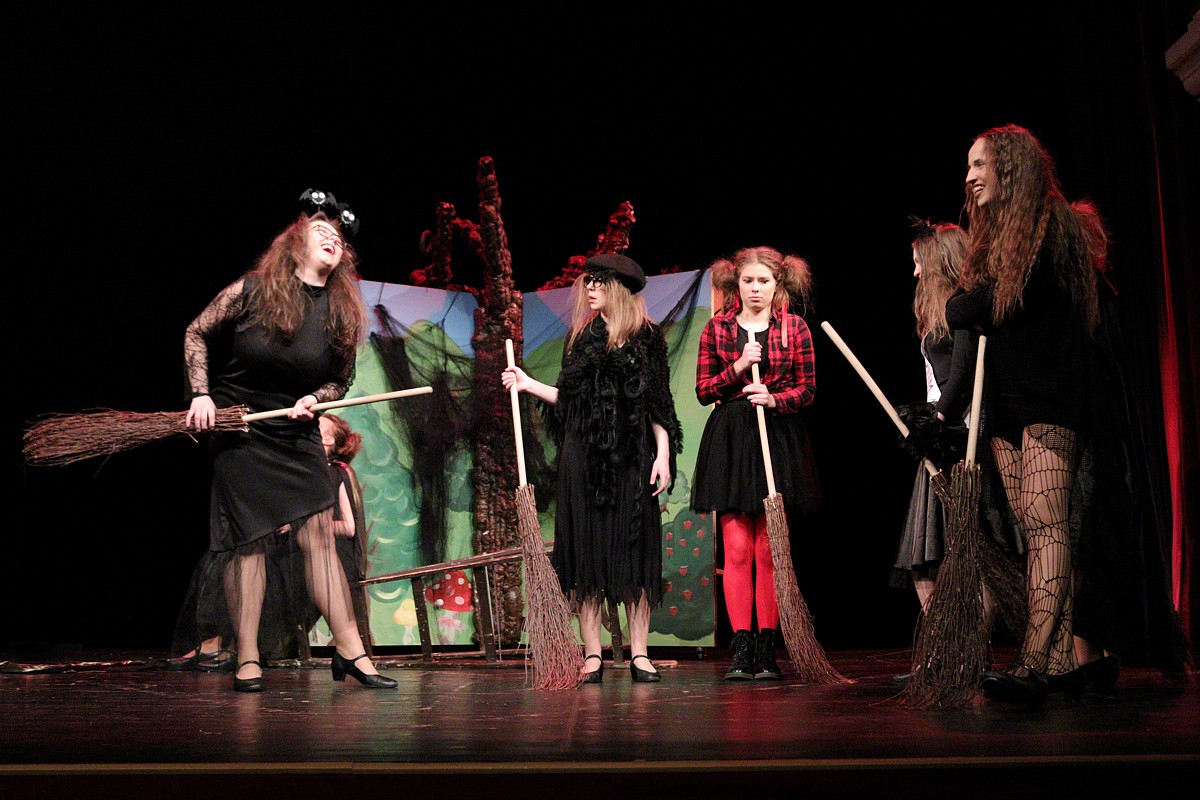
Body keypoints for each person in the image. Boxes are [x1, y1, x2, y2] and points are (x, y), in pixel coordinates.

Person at [184, 189, 395, 691]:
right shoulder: (253, 289)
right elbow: (196, 333)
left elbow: (339, 380)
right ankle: (248, 655)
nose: (332, 239)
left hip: (295, 431)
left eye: (339, 238)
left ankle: (351, 650)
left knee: (318, 537)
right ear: (296, 242)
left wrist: (316, 397)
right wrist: (200, 395)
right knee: (250, 544)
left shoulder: (341, 313)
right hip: (242, 426)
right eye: (321, 231)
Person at [948, 126, 1105, 705]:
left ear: (1010, 167)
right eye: (968, 166)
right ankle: (1060, 663)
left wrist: (969, 305)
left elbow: (994, 303)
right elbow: (967, 309)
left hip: (1049, 397)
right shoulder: (997, 238)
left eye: (979, 164)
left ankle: (1035, 660)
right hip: (1008, 401)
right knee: (1032, 528)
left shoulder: (1053, 226)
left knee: (1046, 524)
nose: (969, 176)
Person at [502, 253, 682, 684]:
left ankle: (640, 654)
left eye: (598, 282)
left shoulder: (647, 338)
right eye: (588, 282)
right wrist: (527, 384)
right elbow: (569, 400)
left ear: (617, 288)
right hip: (583, 459)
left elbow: (658, 404)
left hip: (632, 457)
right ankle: (593, 654)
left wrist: (663, 454)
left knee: (635, 551)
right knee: (585, 551)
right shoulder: (582, 338)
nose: (590, 289)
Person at [690, 246, 821, 680]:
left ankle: (767, 648)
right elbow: (704, 390)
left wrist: (774, 398)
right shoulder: (718, 328)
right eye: (749, 281)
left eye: (764, 281)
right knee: (737, 549)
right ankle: (741, 647)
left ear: (777, 284)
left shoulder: (794, 328)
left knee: (768, 549)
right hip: (732, 439)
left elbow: (807, 389)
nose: (756, 289)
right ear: (737, 284)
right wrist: (739, 367)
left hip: (776, 436)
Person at [890, 223, 975, 611]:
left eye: (919, 262)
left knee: (961, 546)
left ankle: (966, 636)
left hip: (962, 437)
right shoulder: (936, 315)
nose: (915, 272)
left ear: (940, 261)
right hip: (940, 435)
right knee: (924, 554)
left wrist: (939, 420)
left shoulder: (964, 308)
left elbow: (963, 374)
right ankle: (941, 635)